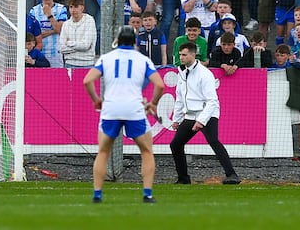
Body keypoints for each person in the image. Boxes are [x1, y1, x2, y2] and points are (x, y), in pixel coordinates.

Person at [82, 26, 164, 204]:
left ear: (117, 40)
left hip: (111, 108)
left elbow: (87, 80)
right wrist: (154, 103)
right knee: (147, 151)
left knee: (103, 152)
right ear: (135, 41)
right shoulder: (143, 60)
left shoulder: (106, 58)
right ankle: (147, 194)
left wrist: (96, 99)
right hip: (134, 108)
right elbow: (160, 85)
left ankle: (97, 194)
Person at [170, 41, 241, 185]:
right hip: (191, 115)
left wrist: (201, 121)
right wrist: (176, 119)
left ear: (193, 55)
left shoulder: (205, 74)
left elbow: (212, 101)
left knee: (213, 141)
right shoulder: (181, 73)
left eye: (184, 55)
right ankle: (183, 178)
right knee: (175, 144)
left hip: (207, 113)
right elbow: (179, 97)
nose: (181, 58)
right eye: (180, 55)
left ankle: (232, 175)